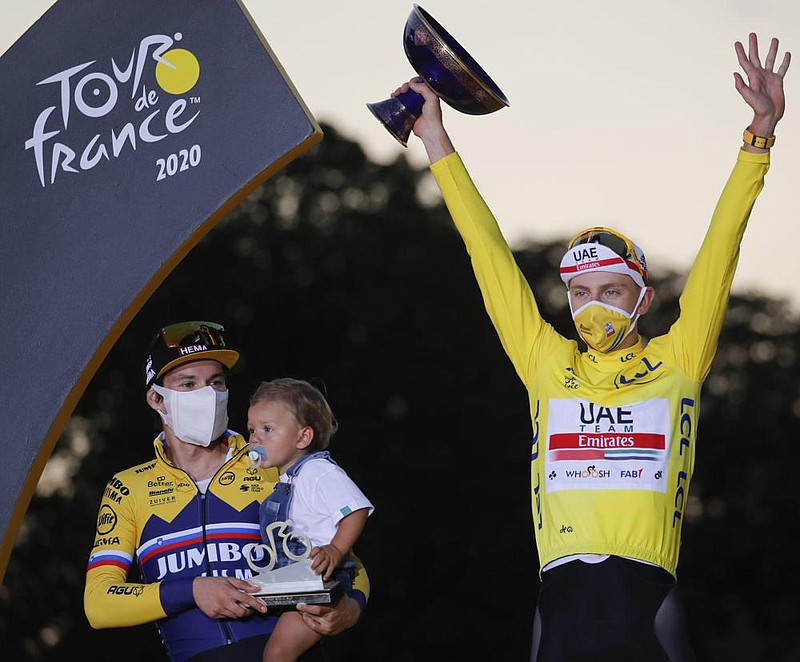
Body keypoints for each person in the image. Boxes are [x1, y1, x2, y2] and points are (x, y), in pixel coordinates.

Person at [393, 32, 790, 661]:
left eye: (610, 290)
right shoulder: (547, 363)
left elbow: (721, 250)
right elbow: (486, 252)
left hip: (647, 603)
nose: (593, 305)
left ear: (643, 299)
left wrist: (758, 141)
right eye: (580, 293)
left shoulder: (678, 360)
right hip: (559, 606)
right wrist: (437, 141)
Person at [84, 321, 369, 662]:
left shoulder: (270, 466)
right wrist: (192, 590)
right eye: (188, 384)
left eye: (215, 382)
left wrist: (352, 608)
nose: (207, 394)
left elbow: (347, 561)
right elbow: (99, 604)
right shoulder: (129, 488)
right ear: (156, 398)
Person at [245, 378, 373, 662]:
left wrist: (336, 549)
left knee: (277, 654)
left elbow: (356, 509)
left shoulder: (318, 472)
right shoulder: (287, 478)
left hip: (319, 582)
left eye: (268, 429)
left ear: (303, 437)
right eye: (252, 429)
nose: (255, 439)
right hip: (293, 578)